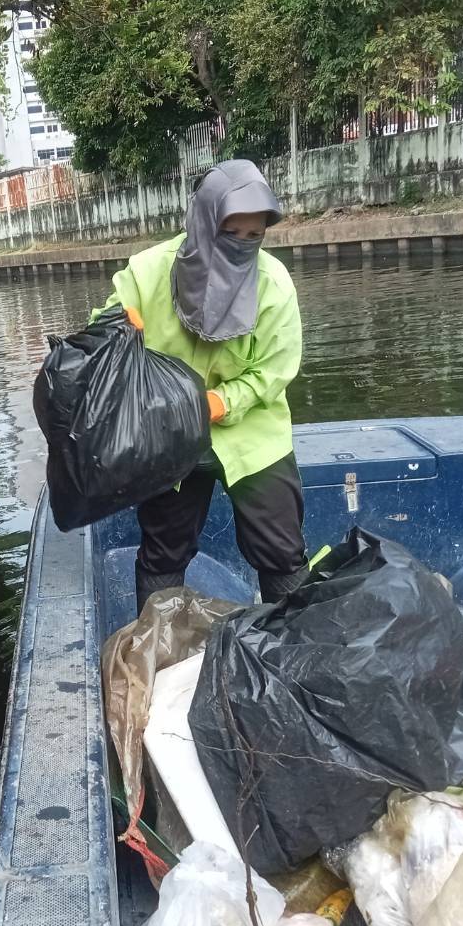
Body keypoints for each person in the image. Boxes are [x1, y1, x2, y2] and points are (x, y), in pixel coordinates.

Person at [95, 159, 307, 612]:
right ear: (204, 221)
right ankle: (156, 643)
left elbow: (274, 370)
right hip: (169, 434)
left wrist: (219, 402)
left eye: (254, 236)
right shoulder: (148, 271)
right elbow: (102, 333)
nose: (242, 245)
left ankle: (289, 642)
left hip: (251, 433)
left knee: (282, 550)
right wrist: (116, 327)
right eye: (231, 232)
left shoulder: (273, 284)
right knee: (163, 551)